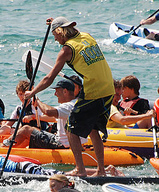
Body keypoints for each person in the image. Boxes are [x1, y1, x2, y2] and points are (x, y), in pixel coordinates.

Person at [24, 17, 115, 177]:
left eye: (55, 34)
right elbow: (72, 31)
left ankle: (80, 170)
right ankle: (101, 171)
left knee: (70, 129)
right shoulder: (86, 36)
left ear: (61, 32)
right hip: (109, 88)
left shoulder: (66, 50)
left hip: (93, 90)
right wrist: (55, 22)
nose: (55, 38)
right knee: (93, 129)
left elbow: (49, 78)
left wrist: (32, 93)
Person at [0, 79, 84, 149]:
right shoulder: (76, 103)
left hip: (62, 144)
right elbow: (54, 119)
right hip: (72, 142)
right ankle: (10, 146)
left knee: (26, 129)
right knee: (31, 134)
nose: (55, 94)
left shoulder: (68, 106)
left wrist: (38, 101)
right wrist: (35, 116)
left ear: (65, 91)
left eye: (57, 91)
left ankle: (3, 146)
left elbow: (48, 112)